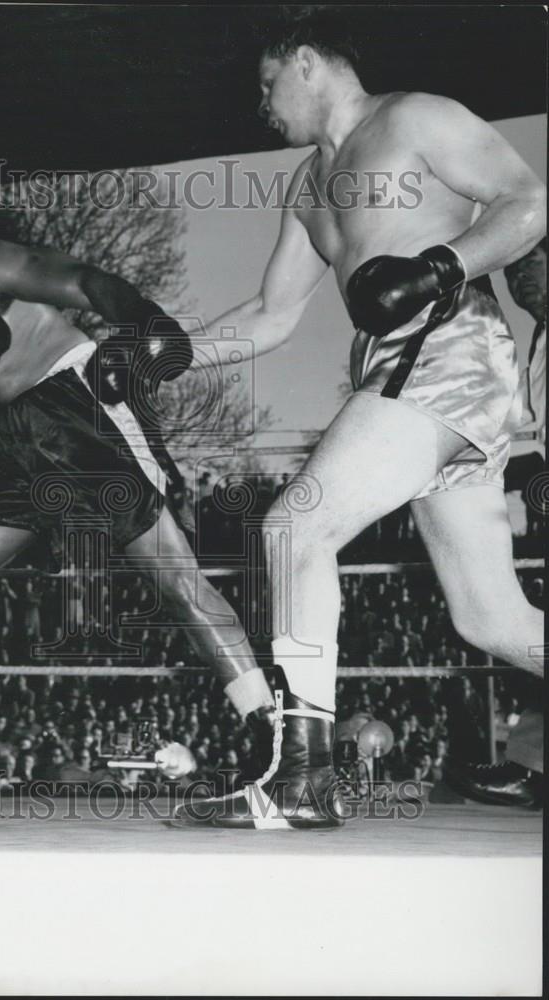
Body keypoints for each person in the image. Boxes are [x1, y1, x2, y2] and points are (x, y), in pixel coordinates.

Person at [174, 10, 545, 828]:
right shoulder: (306, 187)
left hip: (449, 350)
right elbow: (271, 316)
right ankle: (300, 779)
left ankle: (299, 780)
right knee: (487, 617)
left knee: (293, 527)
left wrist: (437, 269)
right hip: (396, 373)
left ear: (305, 61)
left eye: (267, 84)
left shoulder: (413, 117)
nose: (262, 104)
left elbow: (528, 200)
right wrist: (163, 354)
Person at [0, 205, 277, 817]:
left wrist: (146, 321)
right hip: (8, 439)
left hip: (76, 403)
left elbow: (85, 281)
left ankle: (278, 744)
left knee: (175, 580)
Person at [444, 238, 546, 808]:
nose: (519, 279)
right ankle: (531, 768)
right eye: (512, 271)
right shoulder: (536, 341)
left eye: (533, 262)